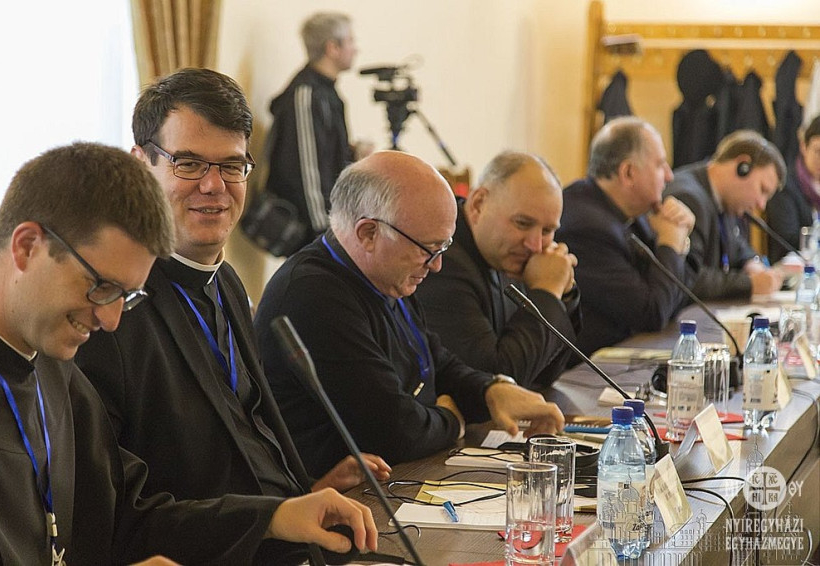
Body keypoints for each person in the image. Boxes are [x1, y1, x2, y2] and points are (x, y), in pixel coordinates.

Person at [0, 142, 376, 565]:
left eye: (126, 297)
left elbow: (128, 518)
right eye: (101, 287)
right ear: (27, 247)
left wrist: (274, 517)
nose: (110, 320)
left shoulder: (57, 371)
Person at [73, 68, 385, 563]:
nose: (214, 185)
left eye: (232, 165)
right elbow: (117, 514)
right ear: (140, 165)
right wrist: (272, 516)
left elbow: (242, 442)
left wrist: (304, 491)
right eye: (189, 163)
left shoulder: (228, 283)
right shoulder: (105, 308)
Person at [253, 150, 566, 478]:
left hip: (388, 480)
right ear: (368, 233)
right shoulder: (314, 295)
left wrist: (490, 391)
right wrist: (453, 420)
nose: (437, 265)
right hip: (334, 493)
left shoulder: (386, 273)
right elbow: (395, 432)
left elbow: (435, 361)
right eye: (429, 249)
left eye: (443, 247)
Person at [414, 151, 581, 390]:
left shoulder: (513, 254)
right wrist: (546, 292)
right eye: (522, 223)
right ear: (478, 204)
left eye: (547, 231)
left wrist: (563, 293)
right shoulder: (442, 261)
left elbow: (543, 374)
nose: (535, 245)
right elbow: (498, 383)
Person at [556, 117, 696, 357]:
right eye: (660, 165)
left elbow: (682, 297)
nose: (669, 176)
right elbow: (652, 314)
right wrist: (670, 245)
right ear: (628, 172)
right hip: (586, 367)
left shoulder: (634, 214)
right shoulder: (587, 227)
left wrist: (681, 240)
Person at [265, 11, 358, 251]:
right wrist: (325, 232)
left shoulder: (328, 92)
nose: (356, 49)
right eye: (350, 41)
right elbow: (306, 171)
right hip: (313, 234)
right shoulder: (305, 94)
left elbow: (323, 154)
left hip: (328, 224)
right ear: (332, 47)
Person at [665, 129, 786, 299]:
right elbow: (688, 278)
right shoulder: (688, 198)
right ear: (743, 167)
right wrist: (750, 284)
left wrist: (752, 263)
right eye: (762, 190)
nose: (761, 204)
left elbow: (738, 247)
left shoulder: (726, 201)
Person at [766, 114, 820, 263]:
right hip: (792, 268)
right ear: (803, 146)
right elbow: (787, 238)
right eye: (818, 152)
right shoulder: (784, 185)